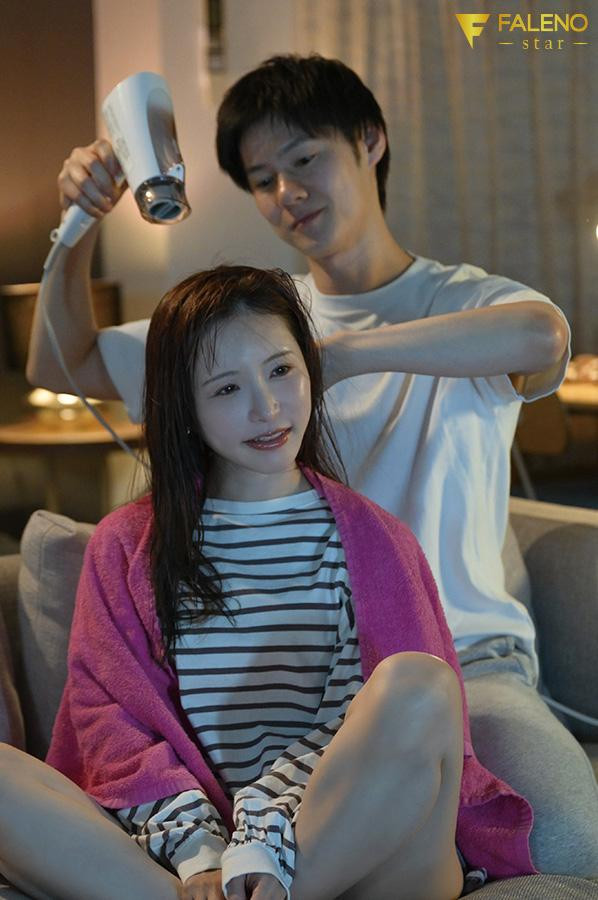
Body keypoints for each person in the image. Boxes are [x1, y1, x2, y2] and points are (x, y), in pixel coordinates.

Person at [26, 55, 598, 876]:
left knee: (567, 841)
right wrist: (79, 221)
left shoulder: (461, 302)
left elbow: (542, 338)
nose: (288, 192)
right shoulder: (254, 325)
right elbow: (59, 363)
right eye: (263, 179)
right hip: (292, 662)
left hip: (464, 658)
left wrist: (335, 355)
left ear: (370, 141)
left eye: (304, 159)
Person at [1, 265, 537, 900]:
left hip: (361, 851)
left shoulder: (379, 542)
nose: (268, 407)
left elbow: (391, 738)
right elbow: (110, 726)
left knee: (420, 685)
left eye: (282, 370)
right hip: (202, 859)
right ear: (184, 405)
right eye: (227, 388)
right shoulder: (126, 547)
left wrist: (264, 843)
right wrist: (201, 856)